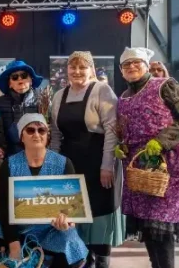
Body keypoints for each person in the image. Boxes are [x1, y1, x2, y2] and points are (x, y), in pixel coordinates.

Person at [0, 113, 88, 268]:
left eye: (41, 130)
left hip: (51, 230)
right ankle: (27, 254)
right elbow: (5, 208)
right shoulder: (10, 165)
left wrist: (68, 222)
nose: (36, 134)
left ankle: (33, 256)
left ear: (47, 136)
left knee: (72, 252)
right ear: (22, 137)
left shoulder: (64, 164)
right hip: (17, 228)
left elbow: (73, 207)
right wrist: (13, 243)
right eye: (30, 130)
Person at [116, 47, 179, 268]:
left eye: (136, 63)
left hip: (167, 164)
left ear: (145, 65)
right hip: (139, 167)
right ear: (121, 70)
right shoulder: (123, 97)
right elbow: (124, 129)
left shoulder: (165, 85)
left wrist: (161, 141)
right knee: (149, 228)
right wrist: (122, 146)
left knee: (161, 227)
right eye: (126, 64)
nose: (132, 67)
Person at [49, 52, 123, 268]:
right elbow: (55, 135)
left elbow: (112, 131)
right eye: (73, 67)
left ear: (92, 69)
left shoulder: (102, 90)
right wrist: (54, 166)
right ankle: (81, 258)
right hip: (70, 163)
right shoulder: (59, 95)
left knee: (99, 213)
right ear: (67, 71)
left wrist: (107, 165)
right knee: (75, 211)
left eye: (83, 67)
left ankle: (101, 260)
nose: (77, 71)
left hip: (98, 160)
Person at [0, 59, 45, 155]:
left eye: (24, 76)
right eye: (15, 77)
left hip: (38, 155)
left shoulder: (42, 102)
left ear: (31, 80)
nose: (20, 80)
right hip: (9, 156)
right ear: (10, 84)